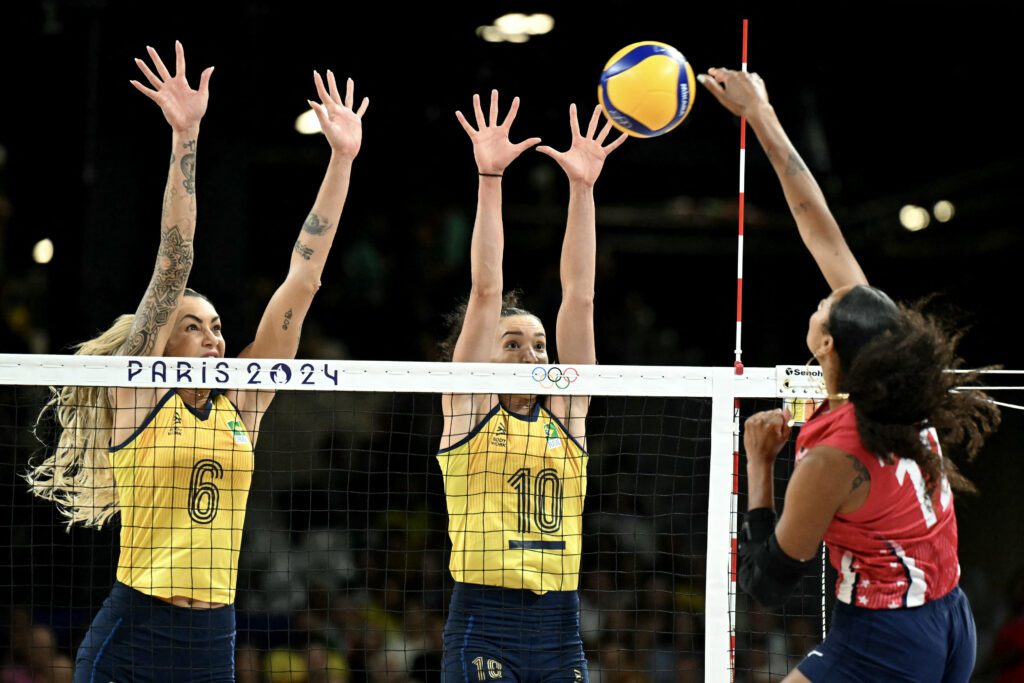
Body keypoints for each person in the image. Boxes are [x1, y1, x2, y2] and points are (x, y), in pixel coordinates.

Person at [25, 41, 368, 682]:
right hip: (134, 631)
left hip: (214, 636)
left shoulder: (244, 403)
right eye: (193, 327)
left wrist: (341, 160)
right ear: (161, 343)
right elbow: (172, 261)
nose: (214, 339)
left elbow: (304, 275)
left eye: (216, 326)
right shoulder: (138, 394)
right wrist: (187, 136)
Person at [699, 67, 1000, 682]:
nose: (820, 300)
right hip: (949, 619)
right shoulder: (901, 392)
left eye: (822, 307)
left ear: (827, 342)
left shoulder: (835, 458)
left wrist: (758, 464)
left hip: (886, 640)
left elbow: (769, 582)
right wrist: (761, 114)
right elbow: (817, 220)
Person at [436, 91, 625, 683]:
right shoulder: (466, 409)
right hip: (483, 620)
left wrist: (583, 189)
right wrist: (490, 176)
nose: (531, 354)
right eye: (512, 343)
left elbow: (581, 296)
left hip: (560, 626)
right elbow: (487, 291)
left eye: (538, 344)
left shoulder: (566, 416)